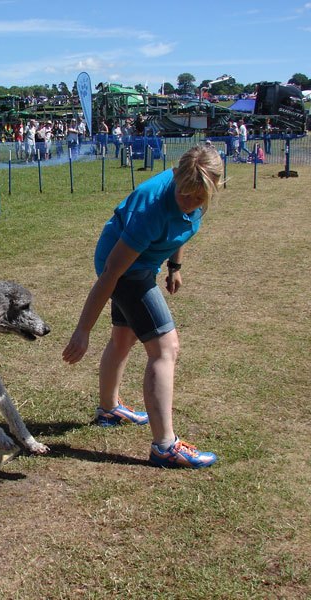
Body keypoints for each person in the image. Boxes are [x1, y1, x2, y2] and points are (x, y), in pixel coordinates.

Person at [62, 145, 223, 469]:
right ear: (176, 177)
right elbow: (112, 273)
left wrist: (174, 267)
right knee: (166, 348)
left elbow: (181, 231)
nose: (190, 203)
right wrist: (82, 330)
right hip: (124, 270)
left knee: (124, 338)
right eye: (185, 194)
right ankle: (165, 447)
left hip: (144, 265)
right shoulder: (152, 209)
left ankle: (109, 409)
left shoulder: (196, 188)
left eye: (199, 197)